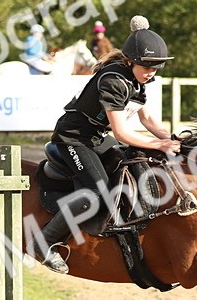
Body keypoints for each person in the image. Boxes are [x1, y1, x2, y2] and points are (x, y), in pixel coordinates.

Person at [37, 15, 180, 274]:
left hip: (96, 139)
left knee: (131, 164)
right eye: (147, 66)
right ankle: (45, 242)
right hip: (73, 139)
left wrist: (170, 137)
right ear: (130, 61)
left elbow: (147, 118)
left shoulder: (138, 80)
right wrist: (158, 145)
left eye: (156, 67)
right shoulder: (113, 80)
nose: (151, 72)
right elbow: (123, 133)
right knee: (95, 193)